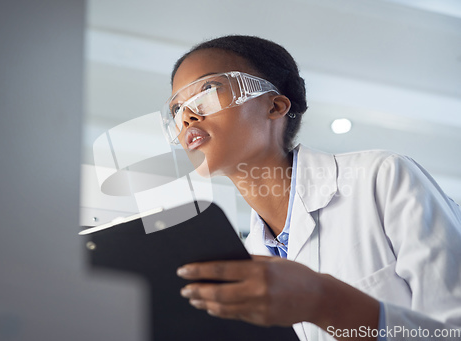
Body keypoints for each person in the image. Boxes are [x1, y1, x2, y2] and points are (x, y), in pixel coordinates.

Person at [159, 35, 461, 341]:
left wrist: (325, 301)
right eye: (176, 110)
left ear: (274, 106)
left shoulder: (381, 179)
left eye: (208, 92)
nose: (187, 118)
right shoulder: (246, 262)